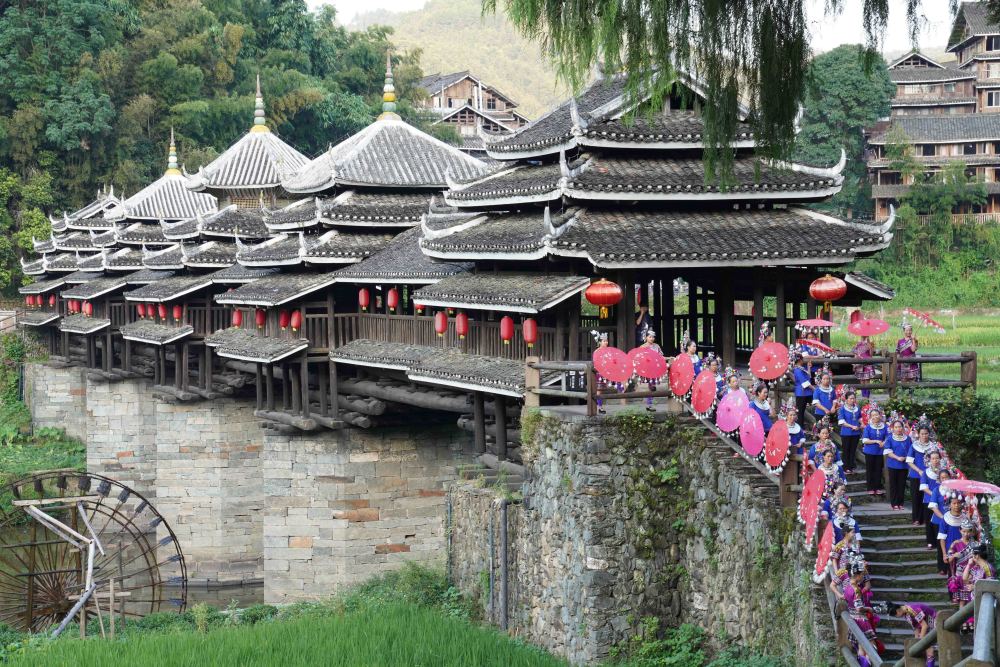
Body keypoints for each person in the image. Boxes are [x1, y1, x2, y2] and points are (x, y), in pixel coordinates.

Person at [843, 564, 882, 666]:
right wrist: (869, 609)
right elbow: (859, 608)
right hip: (861, 620)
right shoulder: (856, 589)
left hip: (853, 618)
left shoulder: (847, 586)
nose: (863, 578)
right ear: (858, 575)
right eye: (862, 575)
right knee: (872, 646)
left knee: (861, 646)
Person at [888, 602, 937, 667]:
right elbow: (916, 628)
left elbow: (924, 626)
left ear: (898, 611)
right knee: (928, 650)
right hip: (926, 626)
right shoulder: (906, 614)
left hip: (934, 622)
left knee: (928, 649)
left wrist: (920, 641)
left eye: (895, 615)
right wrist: (915, 641)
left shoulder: (913, 610)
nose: (897, 617)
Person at [959, 544, 994, 632]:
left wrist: (974, 587)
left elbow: (991, 585)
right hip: (975, 601)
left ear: (977, 556)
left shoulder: (987, 568)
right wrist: (968, 565)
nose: (971, 557)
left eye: (972, 555)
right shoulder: (976, 567)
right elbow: (965, 579)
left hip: (983, 602)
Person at [907, 419, 936, 527]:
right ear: (918, 434)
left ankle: (924, 518)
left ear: (929, 434)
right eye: (922, 434)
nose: (924, 436)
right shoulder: (914, 445)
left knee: (926, 497)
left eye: (926, 433)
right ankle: (916, 519)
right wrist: (919, 470)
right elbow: (909, 461)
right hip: (916, 475)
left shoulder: (933, 446)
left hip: (929, 476)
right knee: (916, 497)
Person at [927, 467, 955, 574]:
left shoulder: (954, 490)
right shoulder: (936, 490)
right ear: (939, 479)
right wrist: (944, 518)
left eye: (946, 477)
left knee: (951, 544)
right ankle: (942, 568)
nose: (944, 479)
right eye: (942, 478)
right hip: (939, 521)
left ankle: (952, 567)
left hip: (953, 522)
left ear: (950, 477)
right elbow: (934, 507)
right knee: (940, 545)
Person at [947, 520, 980, 601]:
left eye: (968, 532)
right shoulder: (955, 544)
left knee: (973, 598)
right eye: (964, 531)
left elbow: (979, 559)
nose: (966, 534)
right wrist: (954, 555)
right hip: (960, 574)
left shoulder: (976, 544)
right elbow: (948, 560)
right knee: (962, 600)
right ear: (960, 530)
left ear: (971, 532)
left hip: (972, 573)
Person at [884, 417, 912, 511]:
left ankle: (900, 503)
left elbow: (911, 450)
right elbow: (888, 452)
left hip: (904, 465)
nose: (898, 429)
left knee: (902, 485)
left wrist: (906, 458)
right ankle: (894, 504)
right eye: (896, 427)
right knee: (893, 485)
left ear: (903, 427)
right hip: (893, 465)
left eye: (900, 427)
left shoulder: (907, 438)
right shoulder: (889, 438)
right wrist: (897, 458)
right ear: (893, 428)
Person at [919, 450, 945, 551]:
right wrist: (935, 495)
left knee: (939, 522)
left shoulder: (944, 472)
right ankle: (930, 542)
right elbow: (924, 487)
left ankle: (939, 542)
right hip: (928, 500)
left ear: (940, 459)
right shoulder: (926, 472)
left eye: (937, 458)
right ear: (929, 460)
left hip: (942, 501)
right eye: (933, 458)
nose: (935, 460)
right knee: (929, 522)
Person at [861, 404, 888, 497]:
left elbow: (888, 437)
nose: (875, 417)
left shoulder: (885, 426)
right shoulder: (868, 427)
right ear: (870, 417)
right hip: (869, 452)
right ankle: (870, 488)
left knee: (878, 470)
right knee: (870, 470)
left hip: (880, 452)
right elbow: (865, 440)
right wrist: (876, 441)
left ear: (880, 415)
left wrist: (884, 442)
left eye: (877, 415)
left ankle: (878, 488)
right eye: (873, 415)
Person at [838, 390, 862, 474]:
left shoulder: (857, 408)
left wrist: (862, 423)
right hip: (846, 433)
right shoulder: (842, 408)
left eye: (854, 398)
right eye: (851, 398)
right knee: (846, 450)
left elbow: (859, 417)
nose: (853, 400)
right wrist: (852, 426)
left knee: (853, 450)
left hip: (856, 433)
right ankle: (845, 467)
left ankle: (851, 466)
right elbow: (841, 421)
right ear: (846, 399)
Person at [638, 330, 663, 412]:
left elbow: (660, 356)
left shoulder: (656, 346)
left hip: (654, 368)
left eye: (653, 337)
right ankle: (649, 404)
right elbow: (639, 358)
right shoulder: (642, 347)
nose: (652, 338)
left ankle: (649, 404)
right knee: (650, 386)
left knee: (652, 387)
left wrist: (668, 358)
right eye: (650, 337)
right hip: (646, 369)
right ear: (646, 337)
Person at [592, 332, 611, 414]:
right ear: (600, 342)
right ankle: (599, 407)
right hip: (599, 373)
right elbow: (595, 363)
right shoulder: (597, 351)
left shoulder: (608, 351)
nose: (606, 342)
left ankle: (600, 406)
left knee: (602, 391)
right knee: (599, 390)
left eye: (606, 341)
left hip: (605, 372)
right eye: (604, 341)